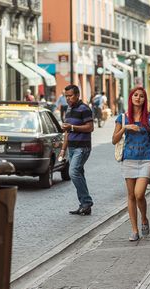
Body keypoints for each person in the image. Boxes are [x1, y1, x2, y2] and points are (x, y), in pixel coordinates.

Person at [112, 87, 150, 241]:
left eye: (141, 96)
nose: (138, 98)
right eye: (135, 95)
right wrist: (125, 128)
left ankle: (144, 218)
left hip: (146, 158)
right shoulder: (123, 118)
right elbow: (114, 139)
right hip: (129, 159)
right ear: (131, 97)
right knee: (131, 195)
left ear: (144, 99)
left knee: (139, 194)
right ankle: (134, 230)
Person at [58, 85, 95, 216]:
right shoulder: (68, 110)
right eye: (66, 96)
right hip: (72, 148)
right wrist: (63, 149)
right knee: (79, 174)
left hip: (82, 147)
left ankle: (87, 201)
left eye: (70, 95)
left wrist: (73, 127)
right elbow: (67, 132)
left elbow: (90, 127)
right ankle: (84, 205)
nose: (67, 98)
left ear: (77, 95)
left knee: (73, 172)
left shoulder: (84, 108)